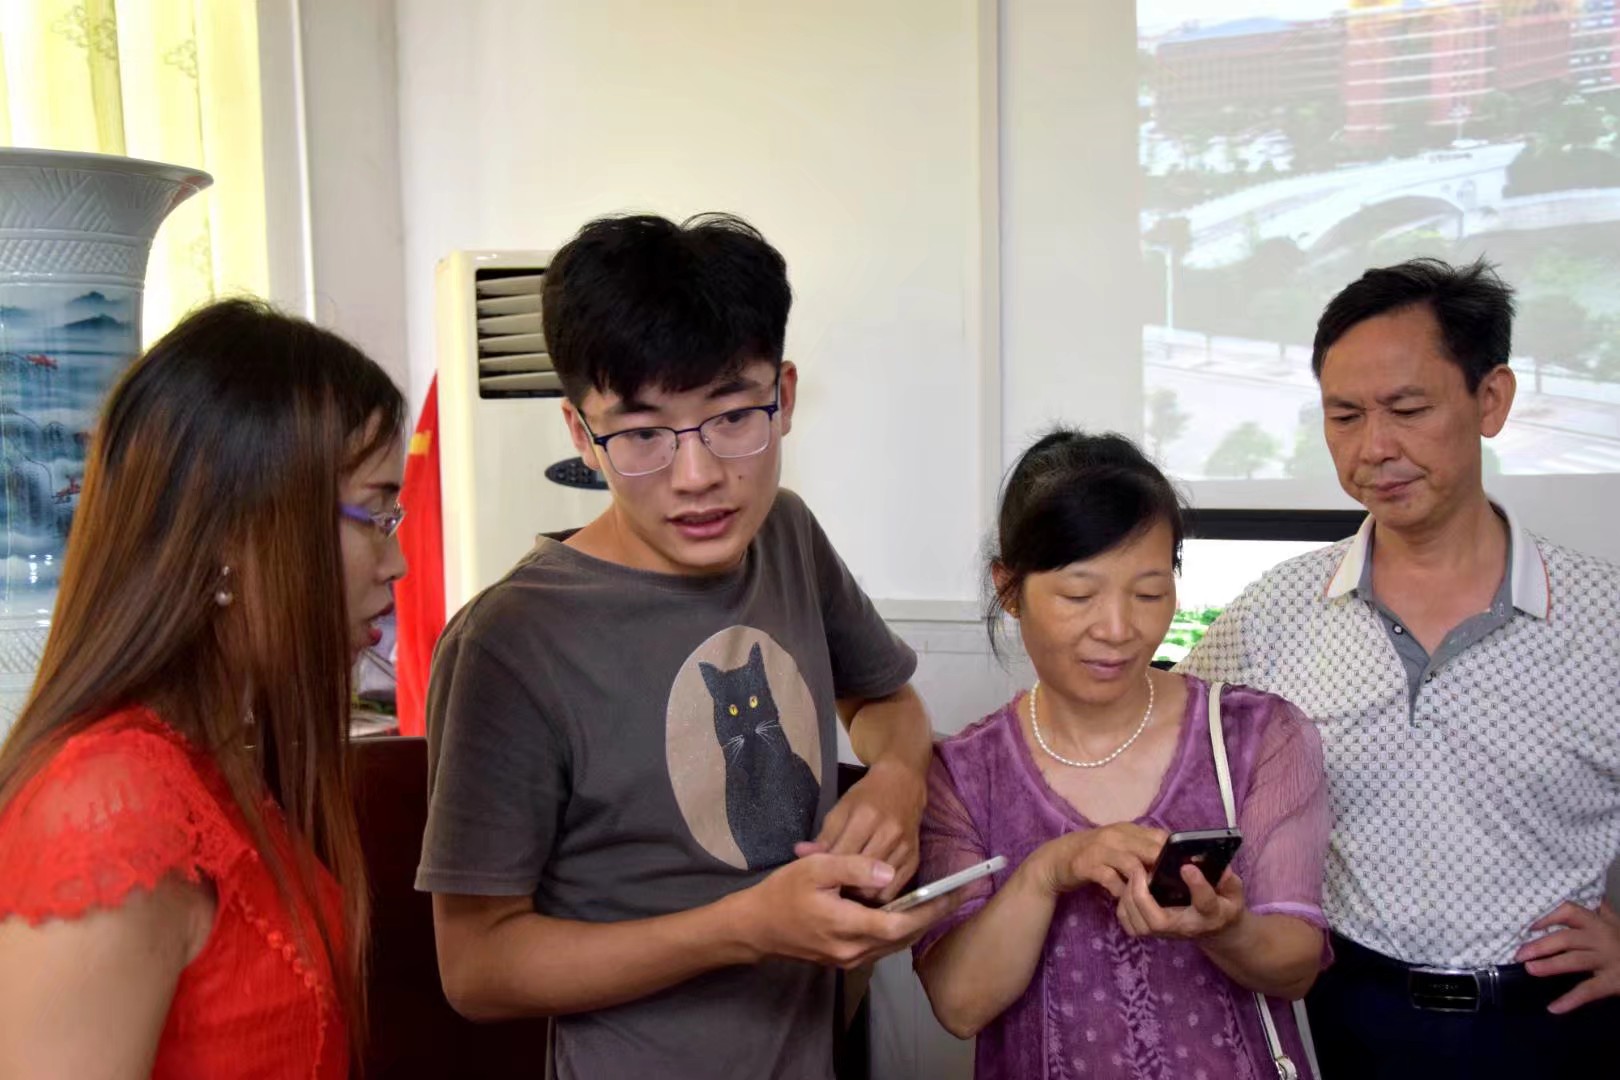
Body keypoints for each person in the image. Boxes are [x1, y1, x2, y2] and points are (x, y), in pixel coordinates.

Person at [416, 213, 954, 1079]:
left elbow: (883, 699)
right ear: (579, 433)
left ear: (784, 396)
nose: (698, 475)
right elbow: (476, 968)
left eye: (733, 417)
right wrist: (746, 927)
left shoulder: (785, 535)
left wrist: (897, 779)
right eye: (641, 434)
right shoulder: (510, 643)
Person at [1179, 257, 1620, 1078]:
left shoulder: (1604, 615)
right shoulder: (1278, 609)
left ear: (1491, 400)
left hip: (1552, 1022)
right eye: (1344, 416)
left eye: (1409, 410)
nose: (1375, 447)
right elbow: (1165, 744)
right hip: (1346, 1009)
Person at [0, 299, 407, 1078]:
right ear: (232, 530)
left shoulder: (215, 758)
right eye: (374, 515)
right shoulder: (109, 805)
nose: (396, 564)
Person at [914, 428, 1331, 1079]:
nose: (1117, 629)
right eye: (1079, 595)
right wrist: (1049, 870)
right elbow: (960, 1004)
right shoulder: (962, 775)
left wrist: (1226, 929)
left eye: (1149, 593)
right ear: (1009, 589)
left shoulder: (1256, 736)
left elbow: (1297, 964)